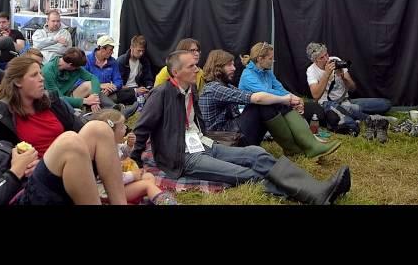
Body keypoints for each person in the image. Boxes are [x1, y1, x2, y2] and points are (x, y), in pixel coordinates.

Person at [130, 50, 351, 205]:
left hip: (204, 144)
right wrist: (137, 159)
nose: (197, 69)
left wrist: (208, 140)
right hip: (182, 156)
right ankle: (314, 194)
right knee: (244, 173)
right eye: (191, 66)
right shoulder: (162, 94)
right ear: (175, 72)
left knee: (256, 153)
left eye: (196, 65)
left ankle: (318, 186)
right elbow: (142, 127)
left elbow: (195, 124)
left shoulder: (191, 90)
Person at [0, 56, 127, 204]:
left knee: (100, 128)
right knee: (70, 141)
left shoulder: (52, 102)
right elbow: (1, 161)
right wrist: (22, 165)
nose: (42, 79)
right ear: (17, 82)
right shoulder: (2, 114)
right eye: (34, 75)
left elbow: (80, 129)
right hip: (37, 179)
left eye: (40, 73)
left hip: (71, 160)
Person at [0, 93, 122, 205]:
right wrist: (15, 172)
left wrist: (33, 163)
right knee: (69, 142)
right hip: (18, 199)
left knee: (98, 129)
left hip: (33, 186)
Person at [201, 49, 341, 158]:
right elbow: (258, 97)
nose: (234, 68)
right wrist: (286, 99)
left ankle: (302, 146)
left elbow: (278, 89)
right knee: (266, 103)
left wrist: (291, 99)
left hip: (233, 135)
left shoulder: (229, 85)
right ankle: (301, 147)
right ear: (217, 67)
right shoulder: (213, 88)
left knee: (273, 101)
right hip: (224, 142)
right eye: (229, 65)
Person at [305, 42, 392, 142]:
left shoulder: (336, 60)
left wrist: (343, 77)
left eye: (326, 54)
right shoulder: (311, 70)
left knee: (386, 104)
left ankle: (355, 113)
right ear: (315, 60)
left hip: (346, 101)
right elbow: (316, 96)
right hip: (329, 104)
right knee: (345, 115)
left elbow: (353, 88)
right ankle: (372, 118)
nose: (326, 59)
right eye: (321, 58)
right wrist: (326, 74)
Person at [92, 109, 177, 205]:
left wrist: (129, 145)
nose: (125, 128)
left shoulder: (112, 145)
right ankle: (168, 203)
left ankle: (148, 198)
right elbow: (115, 178)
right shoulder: (106, 154)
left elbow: (123, 155)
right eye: (122, 127)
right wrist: (134, 175)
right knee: (148, 185)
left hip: (118, 185)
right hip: (109, 192)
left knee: (148, 176)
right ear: (110, 133)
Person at [42, 47, 102, 112]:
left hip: (68, 95)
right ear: (70, 65)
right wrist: (85, 101)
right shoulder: (48, 71)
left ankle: (97, 108)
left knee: (89, 85)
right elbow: (57, 98)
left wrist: (94, 99)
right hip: (54, 101)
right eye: (77, 67)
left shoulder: (74, 66)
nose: (79, 68)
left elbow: (93, 78)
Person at [84, 35, 123, 111]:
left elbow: (119, 81)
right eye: (110, 50)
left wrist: (110, 89)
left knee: (129, 92)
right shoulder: (86, 60)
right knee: (98, 93)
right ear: (102, 49)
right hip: (91, 93)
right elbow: (80, 82)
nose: (112, 52)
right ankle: (115, 108)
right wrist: (100, 86)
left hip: (107, 93)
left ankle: (105, 105)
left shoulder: (113, 62)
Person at [116, 34, 154, 108]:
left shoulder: (144, 61)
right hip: (125, 90)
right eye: (139, 50)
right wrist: (135, 90)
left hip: (139, 88)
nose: (141, 53)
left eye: (143, 51)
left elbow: (148, 79)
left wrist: (148, 88)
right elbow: (118, 84)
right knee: (119, 94)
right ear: (131, 48)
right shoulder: (121, 61)